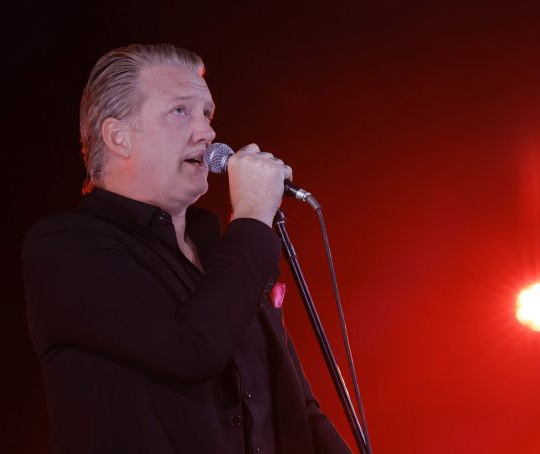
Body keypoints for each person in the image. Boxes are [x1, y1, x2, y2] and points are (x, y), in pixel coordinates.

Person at [22, 43, 351, 454]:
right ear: (118, 136)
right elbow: (193, 349)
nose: (207, 132)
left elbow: (292, 404)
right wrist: (250, 215)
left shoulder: (220, 251)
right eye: (181, 111)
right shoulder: (66, 247)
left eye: (207, 114)